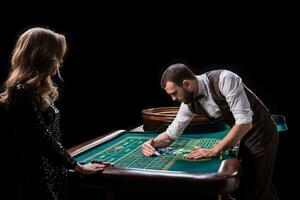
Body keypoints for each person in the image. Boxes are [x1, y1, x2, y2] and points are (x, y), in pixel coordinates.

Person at [0, 27, 109, 200]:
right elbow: (42, 138)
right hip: (39, 178)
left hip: (52, 171)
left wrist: (69, 164)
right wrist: (78, 167)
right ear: (41, 56)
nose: (60, 62)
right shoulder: (22, 91)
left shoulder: (35, 90)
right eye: (56, 56)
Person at [141, 63, 279, 200]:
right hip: (241, 137)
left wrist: (214, 150)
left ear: (186, 84)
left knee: (256, 190)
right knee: (254, 184)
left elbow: (245, 123)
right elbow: (171, 134)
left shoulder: (225, 79)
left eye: (174, 93)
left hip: (261, 133)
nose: (174, 99)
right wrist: (152, 143)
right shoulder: (188, 104)